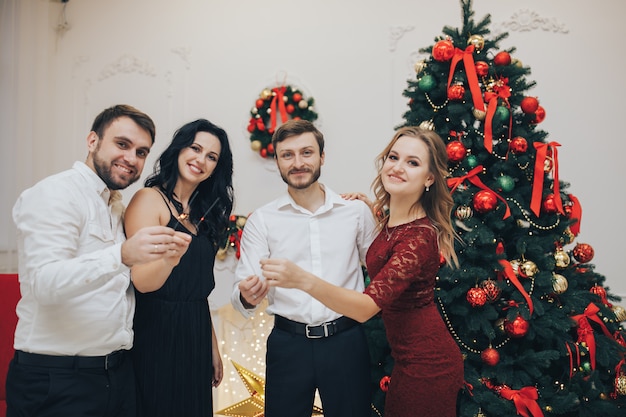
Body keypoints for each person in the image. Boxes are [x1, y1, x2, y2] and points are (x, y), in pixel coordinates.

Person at [262, 126, 464, 417]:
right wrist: (372, 210)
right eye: (394, 157)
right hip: (406, 359)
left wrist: (303, 280)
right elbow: (386, 248)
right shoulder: (392, 220)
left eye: (413, 163)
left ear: (430, 178)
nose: (397, 167)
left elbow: (365, 308)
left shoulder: (418, 238)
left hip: (428, 364)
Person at [7, 104, 191, 417]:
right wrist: (121, 255)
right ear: (93, 141)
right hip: (58, 380)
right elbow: (43, 284)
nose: (132, 159)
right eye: (122, 144)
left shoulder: (117, 207)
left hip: (116, 374)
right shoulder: (55, 194)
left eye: (142, 152)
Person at [231, 119, 377, 417]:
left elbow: (381, 269)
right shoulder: (262, 219)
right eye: (288, 155)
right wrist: (247, 294)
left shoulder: (356, 212)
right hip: (288, 345)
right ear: (278, 162)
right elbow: (244, 289)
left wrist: (378, 211)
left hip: (347, 341)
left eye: (306, 152)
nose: (298, 163)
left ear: (322, 157)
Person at [124, 118, 234, 417]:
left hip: (195, 332)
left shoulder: (203, 216)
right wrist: (168, 260)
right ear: (179, 149)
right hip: (156, 332)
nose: (201, 160)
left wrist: (212, 346)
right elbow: (142, 282)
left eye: (211, 157)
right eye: (195, 148)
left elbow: (197, 292)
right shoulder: (149, 200)